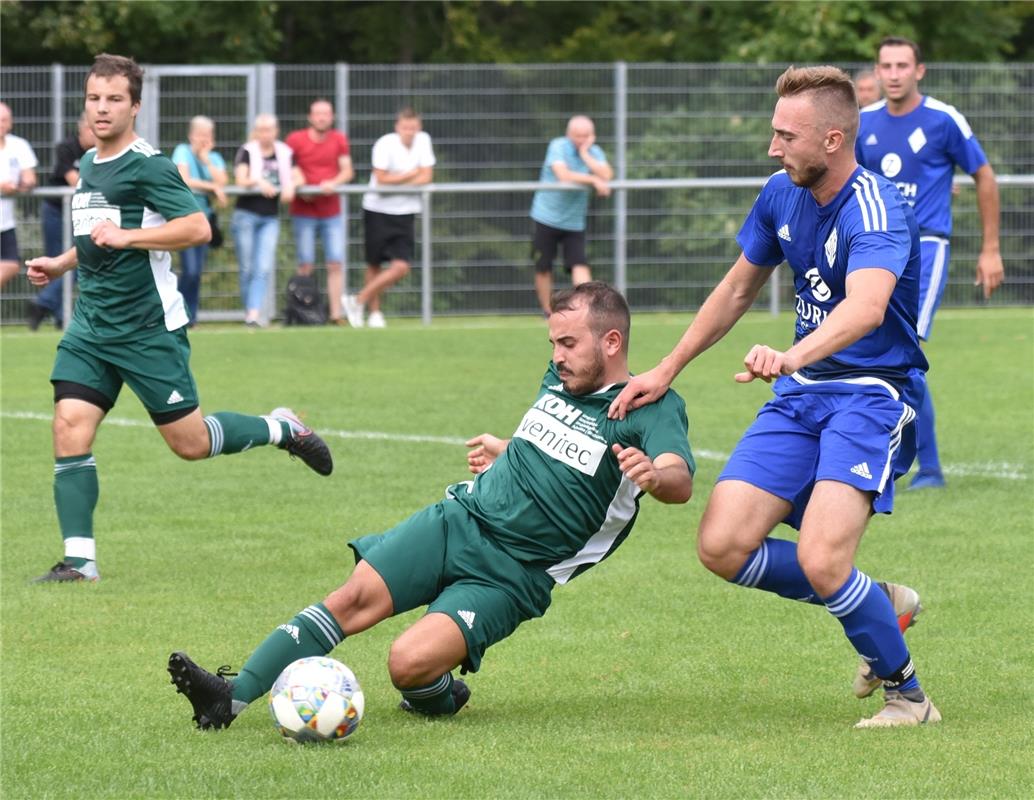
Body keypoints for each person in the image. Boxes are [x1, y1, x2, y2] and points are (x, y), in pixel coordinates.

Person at [166, 281, 695, 729]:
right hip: (458, 520)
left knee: (407, 664)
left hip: (513, 575)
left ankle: (439, 694)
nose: (556, 355)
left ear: (611, 341)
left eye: (568, 342)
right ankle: (228, 697)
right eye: (553, 342)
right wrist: (508, 451)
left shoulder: (650, 406)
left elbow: (680, 478)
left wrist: (654, 474)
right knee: (351, 599)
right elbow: (559, 454)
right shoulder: (558, 379)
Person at [611, 65, 940, 728]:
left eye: (786, 135)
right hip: (802, 395)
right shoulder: (779, 193)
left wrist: (792, 354)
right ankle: (876, 601)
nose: (772, 147)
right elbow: (736, 290)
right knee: (723, 545)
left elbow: (868, 307)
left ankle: (908, 697)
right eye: (773, 132)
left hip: (871, 396)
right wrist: (668, 367)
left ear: (833, 139)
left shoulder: (877, 208)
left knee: (822, 559)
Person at [25, 54, 334, 585]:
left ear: (135, 106)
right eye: (94, 98)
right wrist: (60, 263)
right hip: (92, 326)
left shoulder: (149, 164)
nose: (102, 108)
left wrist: (130, 237)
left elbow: (196, 228)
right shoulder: (92, 161)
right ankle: (80, 561)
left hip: (147, 328)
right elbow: (98, 233)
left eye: (114, 99)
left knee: (189, 444)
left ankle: (282, 427)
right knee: (69, 425)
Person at [857, 36, 1005, 490]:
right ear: (877, 72)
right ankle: (892, 460)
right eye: (887, 65)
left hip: (927, 248)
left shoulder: (943, 120)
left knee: (905, 356)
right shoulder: (862, 123)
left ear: (919, 70)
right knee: (872, 354)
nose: (895, 73)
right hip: (876, 249)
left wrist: (991, 248)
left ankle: (928, 468)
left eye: (903, 65)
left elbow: (983, 175)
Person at [342, 108, 435, 329]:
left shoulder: (424, 141)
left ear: (418, 127)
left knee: (401, 266)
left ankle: (357, 300)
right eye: (405, 128)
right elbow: (382, 179)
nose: (409, 132)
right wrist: (410, 175)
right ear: (397, 127)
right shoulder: (385, 144)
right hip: (377, 210)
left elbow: (427, 176)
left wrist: (400, 180)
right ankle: (374, 314)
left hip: (406, 213)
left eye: (413, 128)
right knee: (374, 263)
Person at [529, 115, 612, 316]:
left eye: (585, 136)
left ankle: (587, 311)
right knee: (543, 267)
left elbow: (608, 175)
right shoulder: (558, 146)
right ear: (569, 134)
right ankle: (549, 313)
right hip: (545, 217)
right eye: (577, 136)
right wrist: (593, 179)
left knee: (579, 264)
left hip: (574, 222)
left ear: (592, 136)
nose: (581, 139)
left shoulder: (594, 152)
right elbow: (563, 176)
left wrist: (585, 154)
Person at [285, 99, 353, 325]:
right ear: (310, 117)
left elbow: (347, 171)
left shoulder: (338, 139)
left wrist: (333, 183)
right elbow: (286, 166)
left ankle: (336, 314)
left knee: (335, 262)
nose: (322, 118)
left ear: (331, 117)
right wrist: (300, 186)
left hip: (331, 210)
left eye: (326, 114)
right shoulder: (295, 140)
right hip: (304, 210)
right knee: (305, 263)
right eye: (318, 114)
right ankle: (303, 312)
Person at [28, 113, 96, 330]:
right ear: (82, 129)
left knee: (75, 262)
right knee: (57, 260)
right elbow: (76, 181)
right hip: (57, 211)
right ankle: (58, 315)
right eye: (91, 129)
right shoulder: (66, 147)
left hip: (81, 211)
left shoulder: (100, 151)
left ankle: (43, 304)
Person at [231, 113, 295, 327]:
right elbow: (240, 180)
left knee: (263, 267)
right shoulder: (247, 151)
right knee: (247, 267)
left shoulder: (285, 153)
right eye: (262, 130)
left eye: (270, 130)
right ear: (256, 132)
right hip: (246, 215)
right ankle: (249, 310)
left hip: (270, 217)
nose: (266, 134)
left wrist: (291, 186)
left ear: (276, 131)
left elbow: (296, 176)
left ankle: (253, 315)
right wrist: (259, 181)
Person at [171, 116, 228, 325]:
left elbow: (223, 180)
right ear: (191, 135)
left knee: (197, 272)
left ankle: (190, 317)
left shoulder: (213, 157)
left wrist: (205, 159)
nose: (204, 139)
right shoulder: (182, 151)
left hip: (204, 220)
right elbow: (184, 179)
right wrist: (211, 187)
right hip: (184, 218)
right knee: (190, 269)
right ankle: (177, 311)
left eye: (208, 135)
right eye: (200, 135)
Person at [0, 101, 38, 287]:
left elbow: (30, 177)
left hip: (5, 222)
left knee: (12, 264)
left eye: (4, 120)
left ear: (10, 122)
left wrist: (24, 184)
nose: (1, 124)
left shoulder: (19, 145)